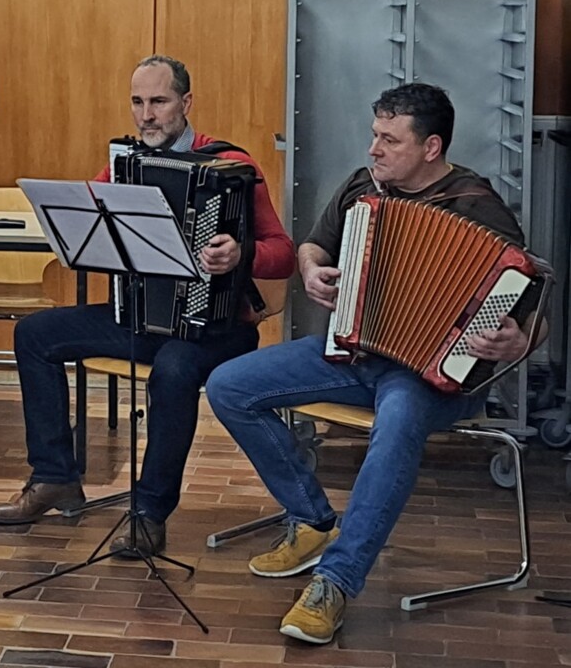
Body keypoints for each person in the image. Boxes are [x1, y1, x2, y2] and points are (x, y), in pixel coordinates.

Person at [205, 83, 538, 645]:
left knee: (399, 421)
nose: (374, 149)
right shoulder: (365, 187)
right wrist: (312, 273)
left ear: (431, 147)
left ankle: (336, 580)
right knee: (229, 386)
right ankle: (311, 520)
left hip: (435, 373)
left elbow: (531, 316)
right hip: (355, 351)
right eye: (374, 134)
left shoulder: (480, 210)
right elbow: (313, 246)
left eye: (389, 139)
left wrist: (517, 341)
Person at [0, 55, 296, 553]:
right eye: (137, 102)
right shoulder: (122, 165)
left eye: (158, 101)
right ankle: (54, 477)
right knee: (34, 334)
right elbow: (89, 228)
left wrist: (241, 254)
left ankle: (150, 512)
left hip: (215, 327)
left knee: (173, 371)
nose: (146, 115)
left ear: (185, 102)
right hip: (140, 319)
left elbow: (282, 254)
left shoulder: (232, 166)